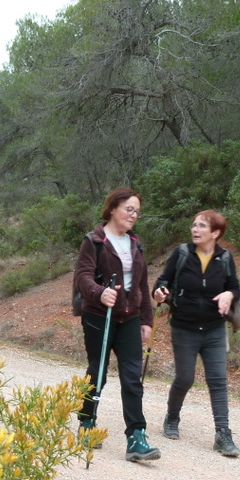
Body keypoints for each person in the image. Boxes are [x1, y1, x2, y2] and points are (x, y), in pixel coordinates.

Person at [74, 187, 160, 462]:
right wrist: (100, 292)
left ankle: (136, 437)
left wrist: (146, 320)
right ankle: (87, 424)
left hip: (129, 318)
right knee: (97, 372)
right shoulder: (94, 241)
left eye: (137, 211)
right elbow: (83, 276)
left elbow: (141, 285)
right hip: (99, 316)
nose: (133, 215)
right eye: (129, 209)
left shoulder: (135, 244)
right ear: (113, 209)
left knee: (132, 378)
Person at [152, 209, 240, 457]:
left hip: (214, 329)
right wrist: (160, 292)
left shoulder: (224, 258)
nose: (195, 229)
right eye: (194, 225)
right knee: (185, 378)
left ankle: (223, 434)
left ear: (215, 233)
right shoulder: (181, 254)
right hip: (184, 328)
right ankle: (172, 417)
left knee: (218, 381)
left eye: (201, 226)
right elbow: (162, 282)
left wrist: (229, 294)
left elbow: (234, 287)